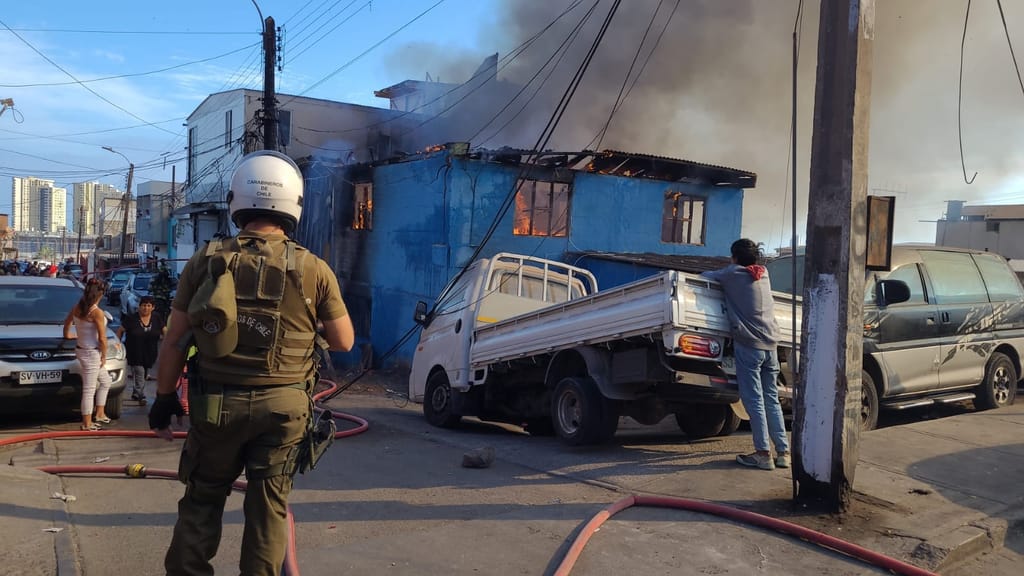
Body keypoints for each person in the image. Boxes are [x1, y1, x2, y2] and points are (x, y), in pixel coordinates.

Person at [149, 150, 355, 576]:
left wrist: (163, 398)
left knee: (203, 499)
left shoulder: (205, 260)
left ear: (236, 200)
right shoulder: (314, 268)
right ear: (294, 204)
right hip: (283, 411)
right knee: (267, 511)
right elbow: (344, 341)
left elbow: (173, 341)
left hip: (215, 408)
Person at [701, 239, 789, 471]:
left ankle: (762, 454)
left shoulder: (732, 273)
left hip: (749, 346)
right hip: (772, 345)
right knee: (772, 398)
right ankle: (783, 452)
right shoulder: (764, 273)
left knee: (754, 400)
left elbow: (706, 276)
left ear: (735, 257)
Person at [62, 279, 114, 431]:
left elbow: (67, 323)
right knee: (89, 389)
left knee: (105, 381)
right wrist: (104, 356)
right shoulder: (96, 312)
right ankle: (86, 423)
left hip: (81, 349)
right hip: (92, 353)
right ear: (100, 294)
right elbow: (102, 338)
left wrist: (69, 335)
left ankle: (99, 413)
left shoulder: (77, 307)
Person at [116, 295, 165, 404]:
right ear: (139, 306)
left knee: (144, 372)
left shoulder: (156, 318)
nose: (145, 308)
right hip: (134, 351)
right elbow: (120, 330)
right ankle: (140, 394)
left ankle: (136, 392)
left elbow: (164, 330)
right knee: (139, 371)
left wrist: (169, 342)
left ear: (152, 307)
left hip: (150, 351)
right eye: (143, 305)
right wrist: (118, 343)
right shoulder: (132, 318)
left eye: (148, 306)